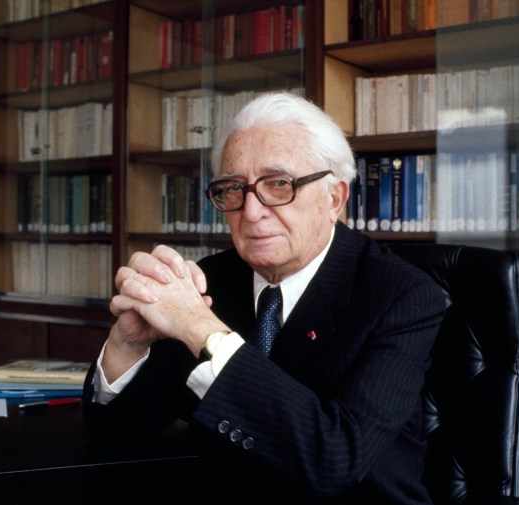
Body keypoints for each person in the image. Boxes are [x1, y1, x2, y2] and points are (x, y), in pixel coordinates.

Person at [83, 92, 446, 504]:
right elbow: (117, 433)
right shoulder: (211, 281)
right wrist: (126, 346)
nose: (251, 212)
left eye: (278, 184)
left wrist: (204, 330)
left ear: (334, 198)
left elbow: (334, 460)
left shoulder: (402, 295)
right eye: (234, 188)